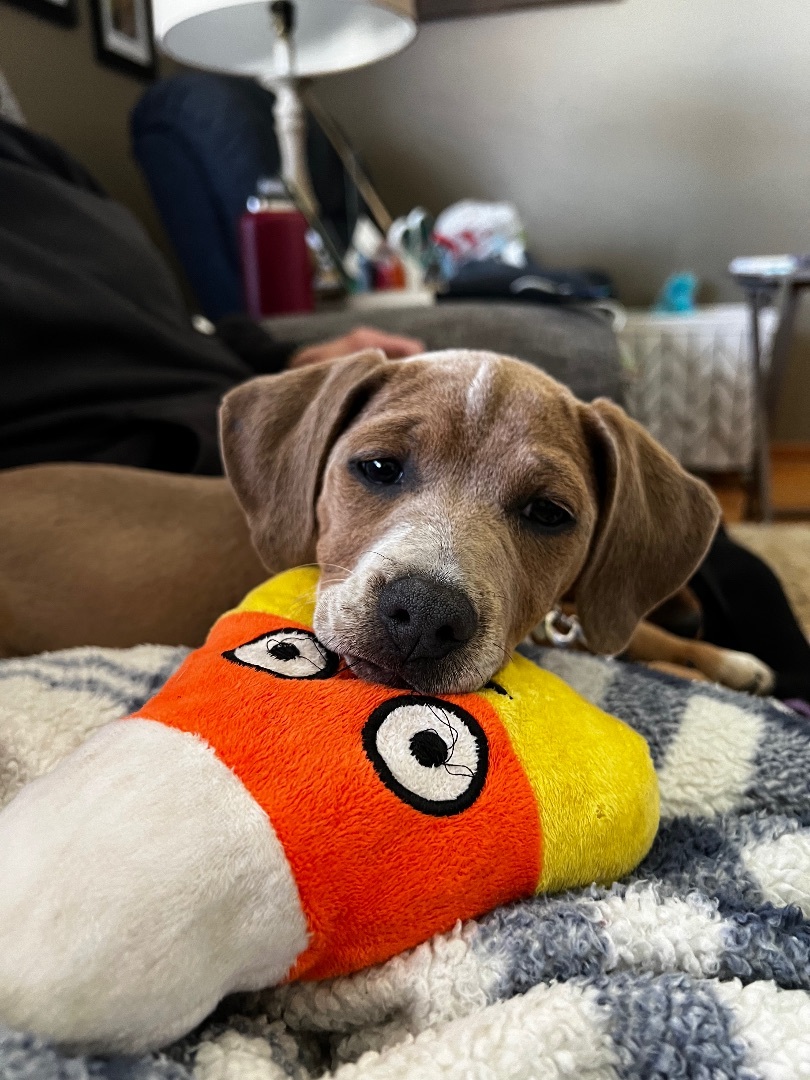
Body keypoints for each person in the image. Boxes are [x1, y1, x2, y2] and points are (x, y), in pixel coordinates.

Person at [0, 116, 423, 475]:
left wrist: (293, 358)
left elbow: (177, 324)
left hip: (235, 416)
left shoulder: (33, 155)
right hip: (116, 464)